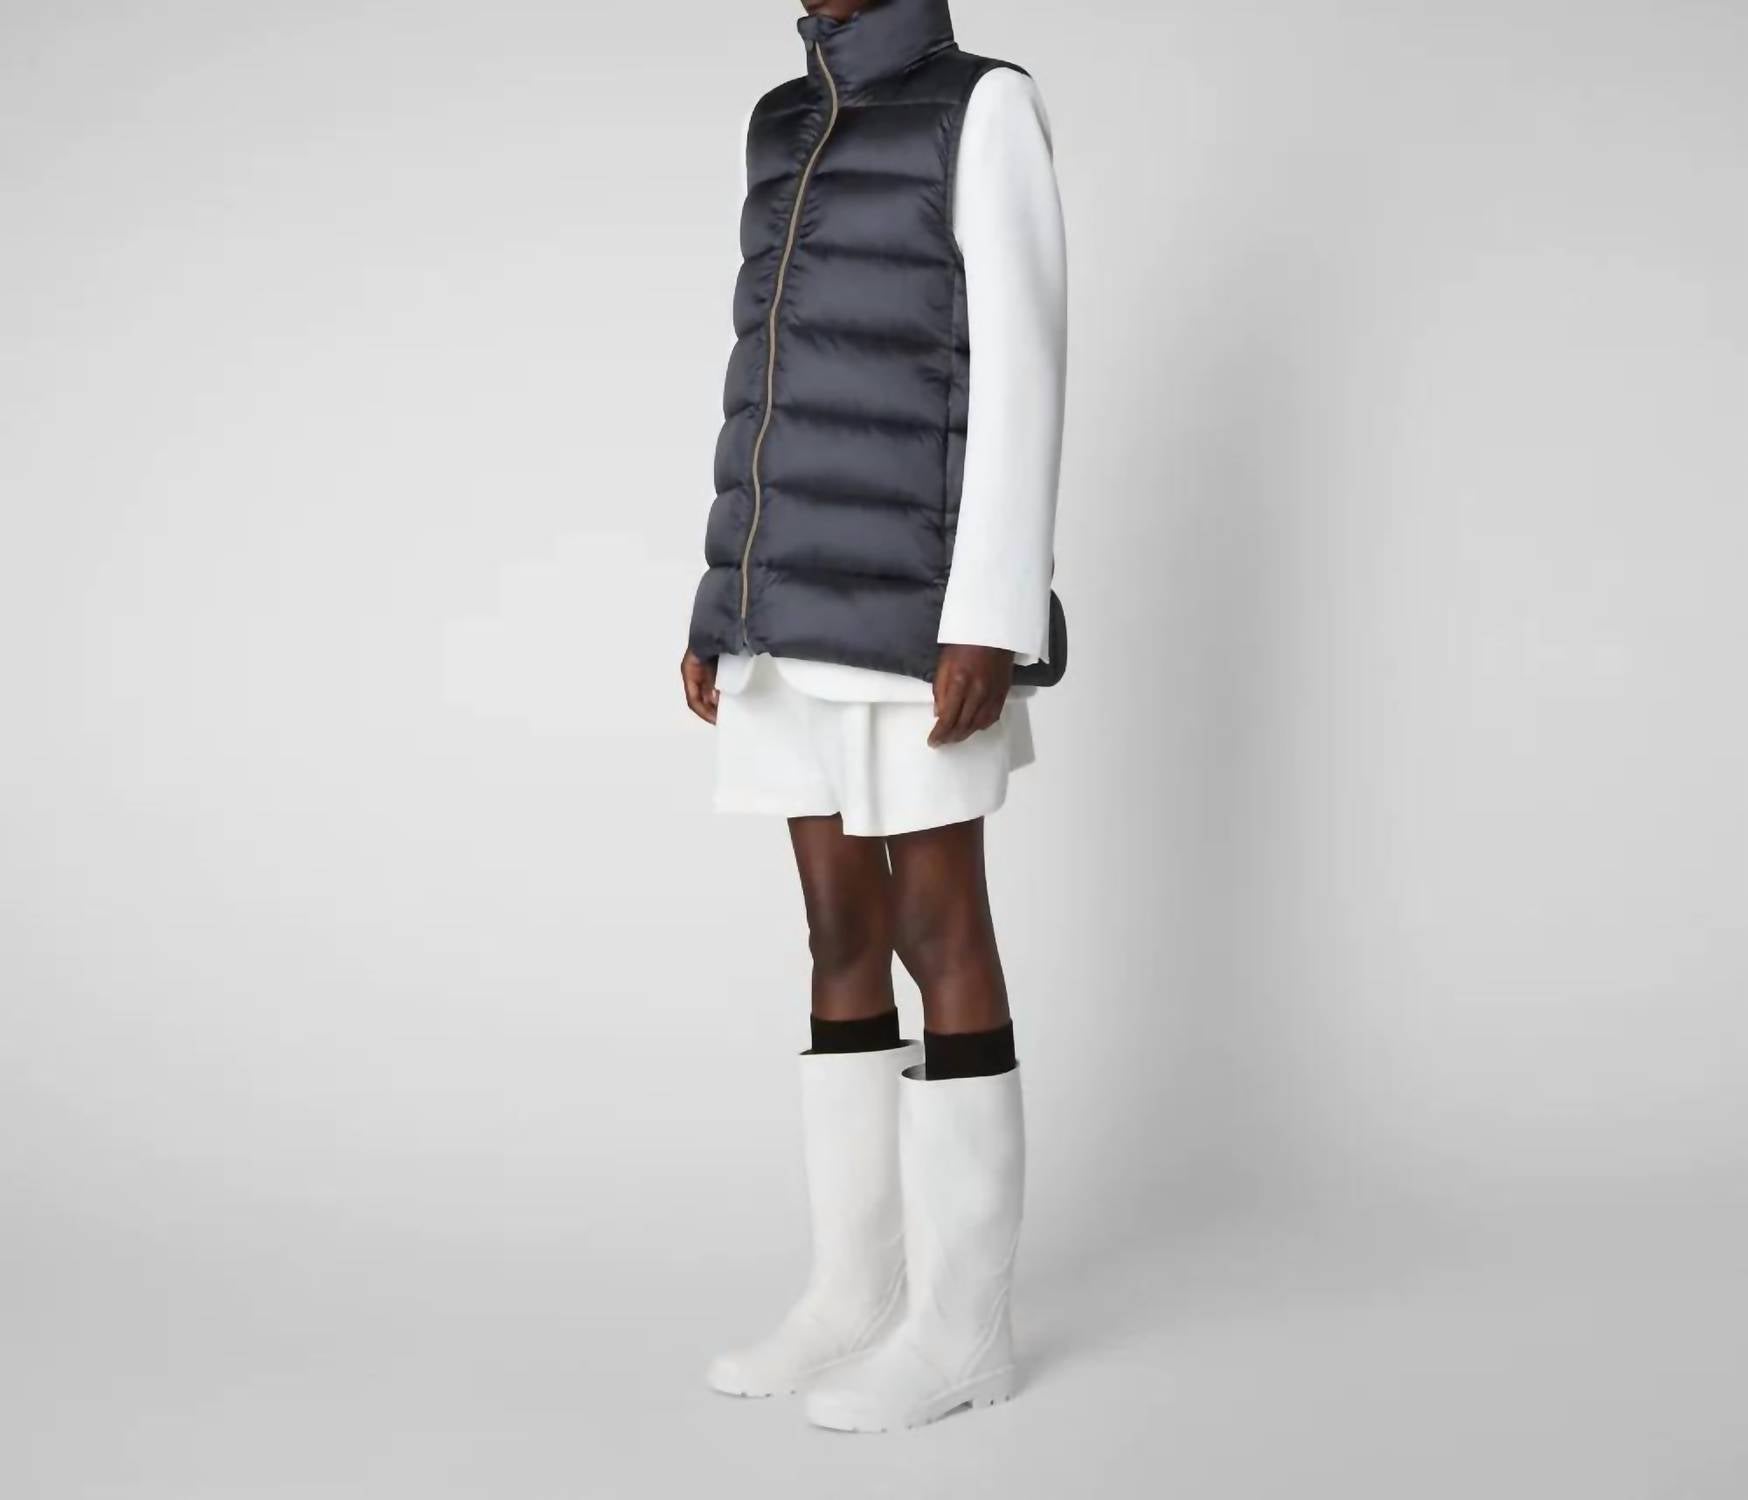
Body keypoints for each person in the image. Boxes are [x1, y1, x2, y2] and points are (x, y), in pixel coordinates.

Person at [679, 0, 1067, 1432]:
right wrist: (721, 598)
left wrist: (992, 615)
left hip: (918, 610)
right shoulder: (781, 124)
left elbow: (1024, 364)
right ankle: (855, 1295)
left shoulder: (984, 105)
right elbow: (764, 383)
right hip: (785, 608)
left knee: (937, 925)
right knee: (837, 926)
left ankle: (965, 1332)